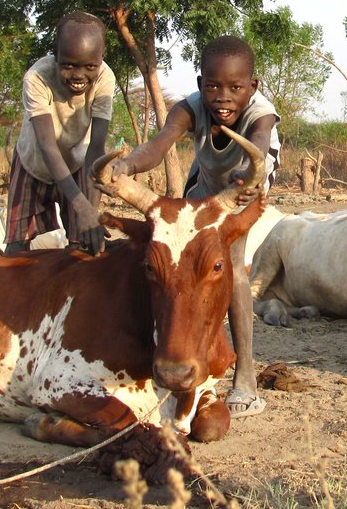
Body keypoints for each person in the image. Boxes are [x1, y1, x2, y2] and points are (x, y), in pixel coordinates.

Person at [107, 35, 280, 418]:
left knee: (231, 266)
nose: (223, 97)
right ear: (201, 83)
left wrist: (244, 176)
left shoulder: (261, 113)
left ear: (252, 87)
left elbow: (260, 146)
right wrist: (127, 166)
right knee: (178, 266)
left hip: (246, 187)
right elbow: (160, 144)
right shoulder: (190, 107)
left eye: (236, 88)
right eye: (213, 86)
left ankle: (246, 377)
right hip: (204, 187)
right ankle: (180, 348)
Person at [4, 11, 116, 256]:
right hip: (33, 163)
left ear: (101, 59)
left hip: (78, 162)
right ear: (55, 55)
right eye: (68, 65)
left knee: (84, 244)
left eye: (89, 66)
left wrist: (89, 209)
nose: (79, 76)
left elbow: (97, 147)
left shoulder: (105, 78)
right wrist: (82, 207)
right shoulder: (37, 78)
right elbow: (47, 145)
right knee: (15, 247)